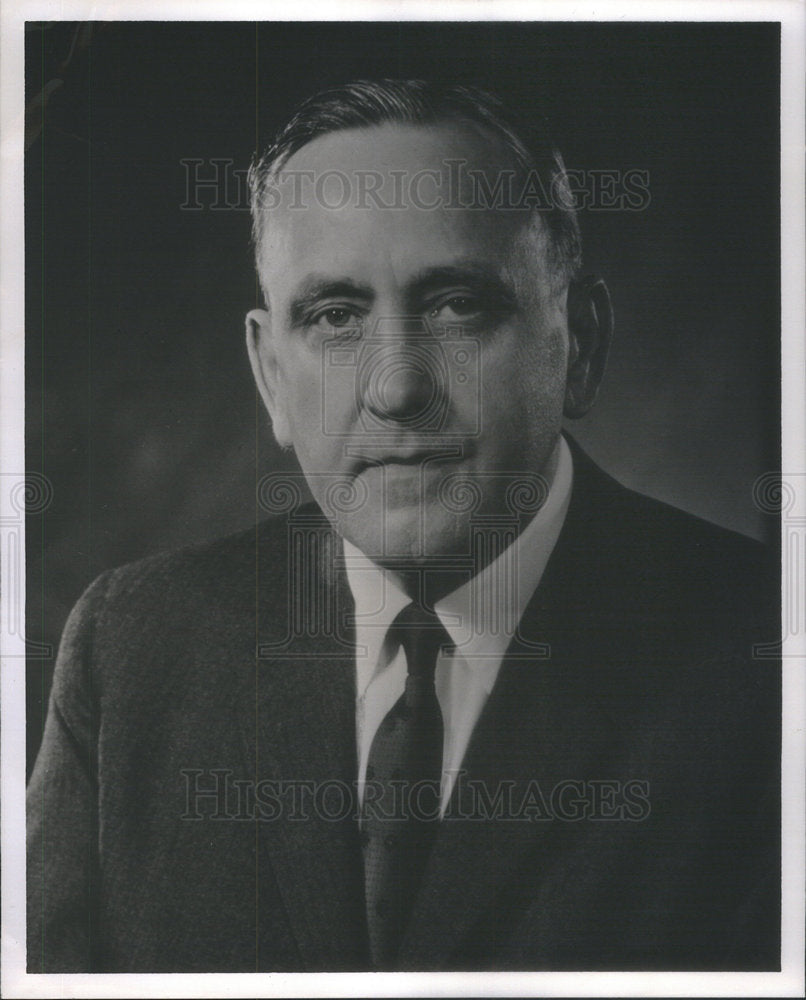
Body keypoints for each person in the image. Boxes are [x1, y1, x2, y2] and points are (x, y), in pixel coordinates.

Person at [27, 79, 780, 973]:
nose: (396, 386)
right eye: (335, 316)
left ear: (580, 342)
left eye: (458, 305)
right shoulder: (131, 649)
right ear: (271, 376)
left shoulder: (765, 669)